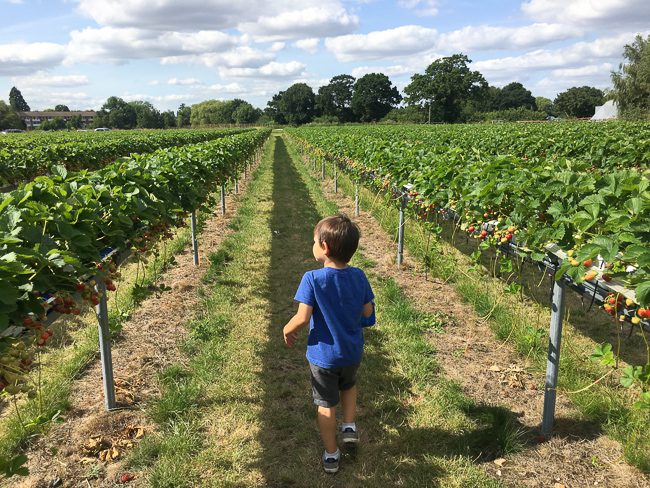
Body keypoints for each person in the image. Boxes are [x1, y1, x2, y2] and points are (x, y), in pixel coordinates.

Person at [283, 214, 375, 474]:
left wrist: (287, 329)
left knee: (325, 403)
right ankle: (348, 426)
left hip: (323, 356)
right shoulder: (359, 276)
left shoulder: (312, 279)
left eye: (313, 241)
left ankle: (332, 455)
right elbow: (367, 312)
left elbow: (302, 317)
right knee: (349, 385)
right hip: (352, 351)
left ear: (324, 247)